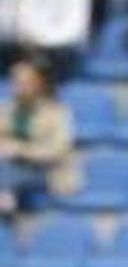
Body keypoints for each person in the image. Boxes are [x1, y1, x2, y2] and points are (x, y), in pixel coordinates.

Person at [0, 56, 79, 216]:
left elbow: (58, 150)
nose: (18, 87)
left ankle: (4, 195)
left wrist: (20, 150)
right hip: (10, 166)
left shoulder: (57, 112)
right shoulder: (7, 109)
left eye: (24, 82)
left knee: (7, 168)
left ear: (38, 83)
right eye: (15, 82)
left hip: (47, 171)